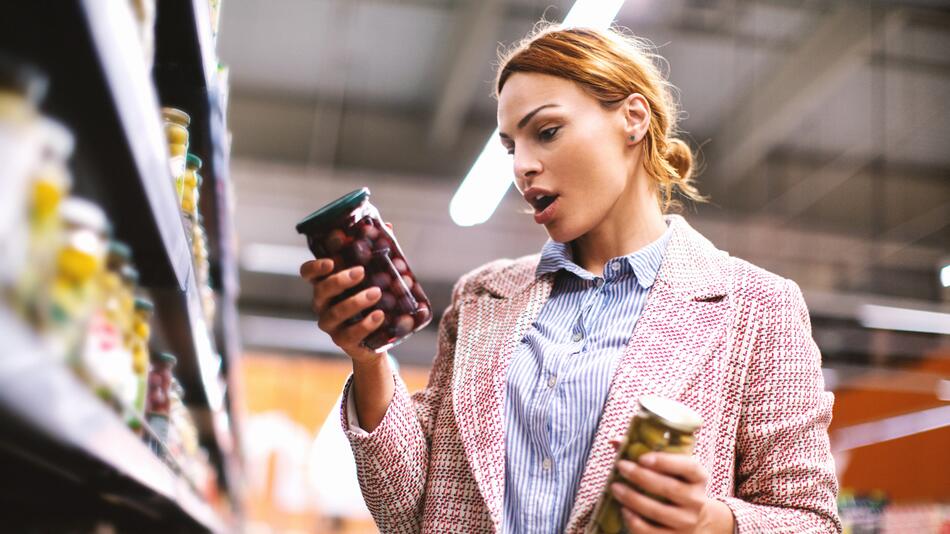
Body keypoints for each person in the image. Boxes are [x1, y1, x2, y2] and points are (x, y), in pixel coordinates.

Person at [300, 24, 840, 534]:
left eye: (547, 132)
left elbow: (812, 520)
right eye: (512, 147)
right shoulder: (482, 299)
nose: (522, 167)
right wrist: (368, 358)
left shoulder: (756, 307)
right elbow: (412, 511)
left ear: (633, 118)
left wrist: (709, 521)